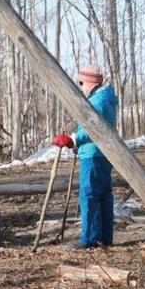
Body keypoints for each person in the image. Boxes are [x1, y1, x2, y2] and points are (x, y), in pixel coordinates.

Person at [54, 65, 118, 249]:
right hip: (104, 153)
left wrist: (72, 140)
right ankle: (105, 237)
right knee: (104, 196)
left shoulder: (97, 101)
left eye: (81, 82)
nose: (80, 86)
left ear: (89, 82)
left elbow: (92, 126)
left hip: (93, 155)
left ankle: (89, 239)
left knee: (89, 195)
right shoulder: (106, 98)